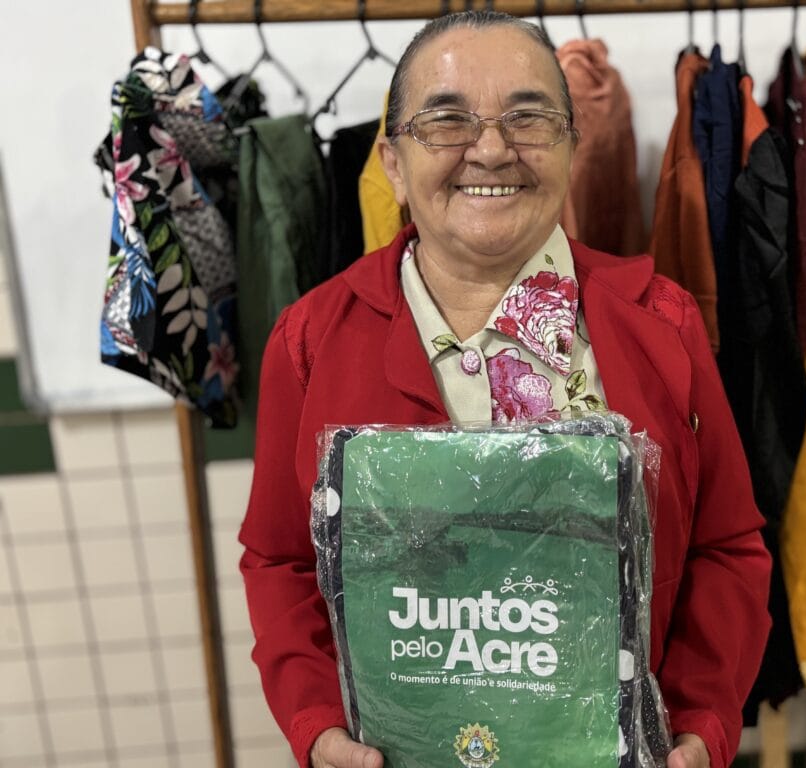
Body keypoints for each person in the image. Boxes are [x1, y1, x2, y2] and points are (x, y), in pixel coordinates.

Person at [239, 11, 771, 768]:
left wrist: (700, 723)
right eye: (447, 121)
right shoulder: (311, 341)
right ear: (392, 163)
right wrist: (317, 722)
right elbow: (281, 562)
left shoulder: (662, 323)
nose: (491, 150)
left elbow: (726, 547)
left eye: (529, 118)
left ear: (571, 146)